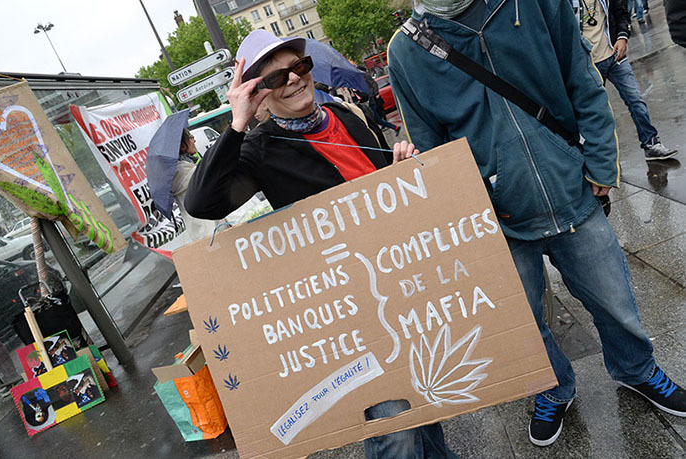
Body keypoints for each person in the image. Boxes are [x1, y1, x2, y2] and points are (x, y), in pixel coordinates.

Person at [387, 0, 686, 448]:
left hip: (569, 185)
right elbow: (430, 146)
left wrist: (602, 164)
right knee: (523, 322)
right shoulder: (405, 51)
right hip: (495, 219)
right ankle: (551, 389)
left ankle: (637, 369)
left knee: (614, 300)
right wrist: (428, 180)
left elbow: (581, 80)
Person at [185, 29, 457, 458]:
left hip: (398, 282)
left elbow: (377, 195)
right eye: (275, 78)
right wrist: (237, 123)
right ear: (259, 93)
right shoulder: (259, 149)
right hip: (347, 308)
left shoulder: (347, 117)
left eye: (298, 67)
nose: (293, 79)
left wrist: (401, 172)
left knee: (423, 395)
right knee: (394, 425)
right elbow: (203, 202)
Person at [578, 0, 677, 160]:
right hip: (588, 64)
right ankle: (606, 160)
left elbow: (621, 12)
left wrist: (622, 36)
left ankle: (651, 144)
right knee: (598, 113)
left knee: (635, 100)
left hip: (615, 56)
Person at [172, 129, 221, 241]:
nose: (194, 140)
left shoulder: (182, 167)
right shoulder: (182, 170)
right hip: (207, 228)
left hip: (201, 229)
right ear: (182, 146)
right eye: (190, 137)